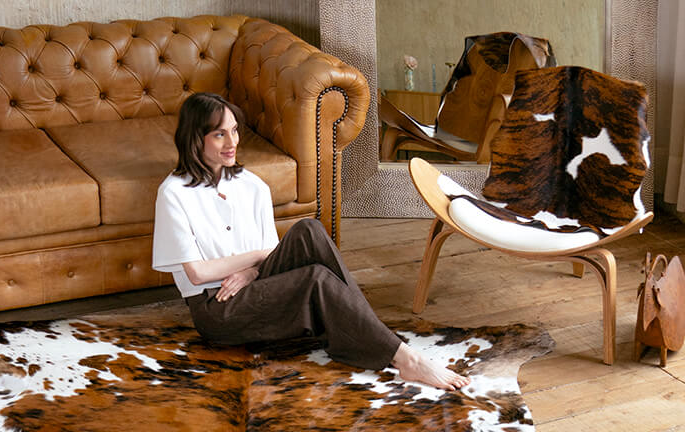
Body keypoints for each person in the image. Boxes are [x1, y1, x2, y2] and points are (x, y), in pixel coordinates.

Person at [152, 92, 467, 390]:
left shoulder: (251, 185)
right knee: (316, 279)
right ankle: (406, 358)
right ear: (196, 138)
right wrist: (257, 257)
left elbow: (270, 256)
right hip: (217, 307)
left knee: (309, 230)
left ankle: (372, 333)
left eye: (234, 131)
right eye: (219, 134)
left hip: (254, 281)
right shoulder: (174, 193)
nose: (232, 142)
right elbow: (198, 273)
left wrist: (251, 271)